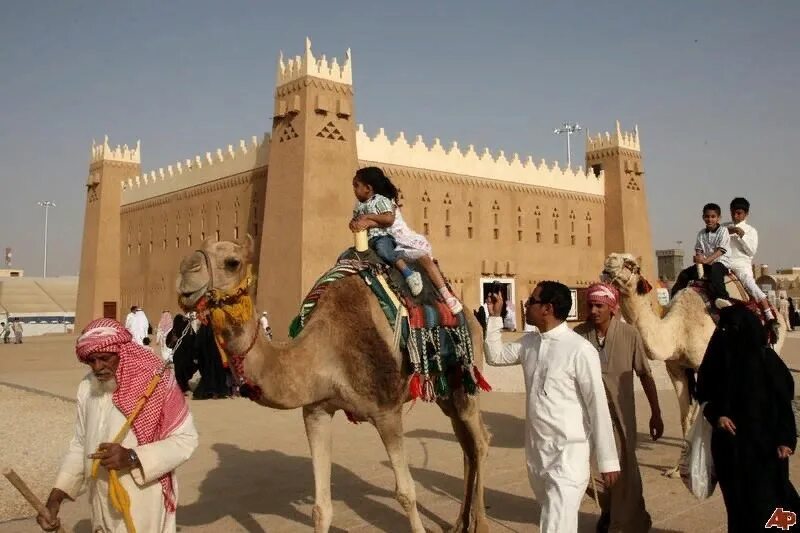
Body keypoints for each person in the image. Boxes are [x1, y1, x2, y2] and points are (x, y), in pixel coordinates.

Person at [36, 318, 198, 533]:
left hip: (142, 501)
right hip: (101, 501)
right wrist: (56, 497)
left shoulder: (156, 383)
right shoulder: (87, 387)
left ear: (121, 352)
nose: (97, 367)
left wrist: (132, 457)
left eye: (104, 358)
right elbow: (80, 444)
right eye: (90, 361)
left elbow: (186, 439)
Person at [484, 281, 620, 532]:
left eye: (532, 300)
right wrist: (494, 317)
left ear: (547, 308)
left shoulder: (580, 350)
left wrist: (608, 460)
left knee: (555, 525)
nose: (526, 305)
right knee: (557, 521)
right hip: (537, 455)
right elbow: (495, 357)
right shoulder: (529, 343)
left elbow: (597, 406)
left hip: (568, 456)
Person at [696, 305, 799, 532]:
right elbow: (704, 395)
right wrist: (717, 416)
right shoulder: (717, 361)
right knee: (738, 507)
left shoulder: (767, 361)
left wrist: (786, 439)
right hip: (730, 450)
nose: (726, 334)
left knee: (770, 505)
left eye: (733, 328)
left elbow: (784, 404)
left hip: (766, 449)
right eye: (723, 329)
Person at [574, 282, 664, 532]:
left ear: (612, 308)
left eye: (599, 306)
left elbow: (645, 375)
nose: (593, 310)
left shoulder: (629, 335)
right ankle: (612, 509)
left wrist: (656, 413)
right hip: (588, 417)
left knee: (624, 472)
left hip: (621, 417)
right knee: (587, 470)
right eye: (590, 305)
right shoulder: (579, 335)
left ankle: (620, 522)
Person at [349, 166, 462, 314]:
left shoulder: (386, 202)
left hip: (400, 240)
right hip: (374, 240)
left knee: (423, 258)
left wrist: (368, 220)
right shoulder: (360, 206)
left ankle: (447, 296)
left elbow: (388, 221)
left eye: (357, 185)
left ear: (368, 188)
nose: (354, 190)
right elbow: (357, 220)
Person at [722, 198, 776, 323]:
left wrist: (741, 236)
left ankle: (768, 314)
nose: (735, 216)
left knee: (750, 285)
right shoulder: (724, 227)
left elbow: (751, 251)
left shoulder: (751, 231)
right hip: (723, 264)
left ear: (746, 214)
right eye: (733, 213)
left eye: (739, 213)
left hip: (741, 267)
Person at [671, 203, 731, 303]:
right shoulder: (701, 233)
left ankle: (723, 299)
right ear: (703, 217)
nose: (710, 219)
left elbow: (721, 251)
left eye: (713, 217)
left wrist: (705, 260)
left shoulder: (723, 231)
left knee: (715, 271)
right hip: (706, 264)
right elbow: (699, 250)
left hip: (721, 263)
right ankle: (673, 299)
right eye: (707, 216)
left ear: (718, 218)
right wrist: (698, 258)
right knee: (684, 274)